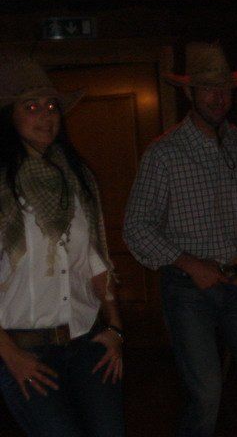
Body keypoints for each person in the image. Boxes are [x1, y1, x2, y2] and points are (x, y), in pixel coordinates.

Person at [123, 41, 237, 437]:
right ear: (189, 93)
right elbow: (136, 226)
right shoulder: (164, 153)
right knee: (206, 392)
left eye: (224, 88)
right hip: (188, 286)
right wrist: (191, 264)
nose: (218, 97)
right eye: (209, 88)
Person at [0, 56, 124, 436]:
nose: (45, 115)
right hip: (24, 350)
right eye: (31, 107)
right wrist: (10, 355)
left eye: (52, 106)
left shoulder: (78, 178)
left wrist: (116, 329)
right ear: (9, 115)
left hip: (87, 341)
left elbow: (95, 260)